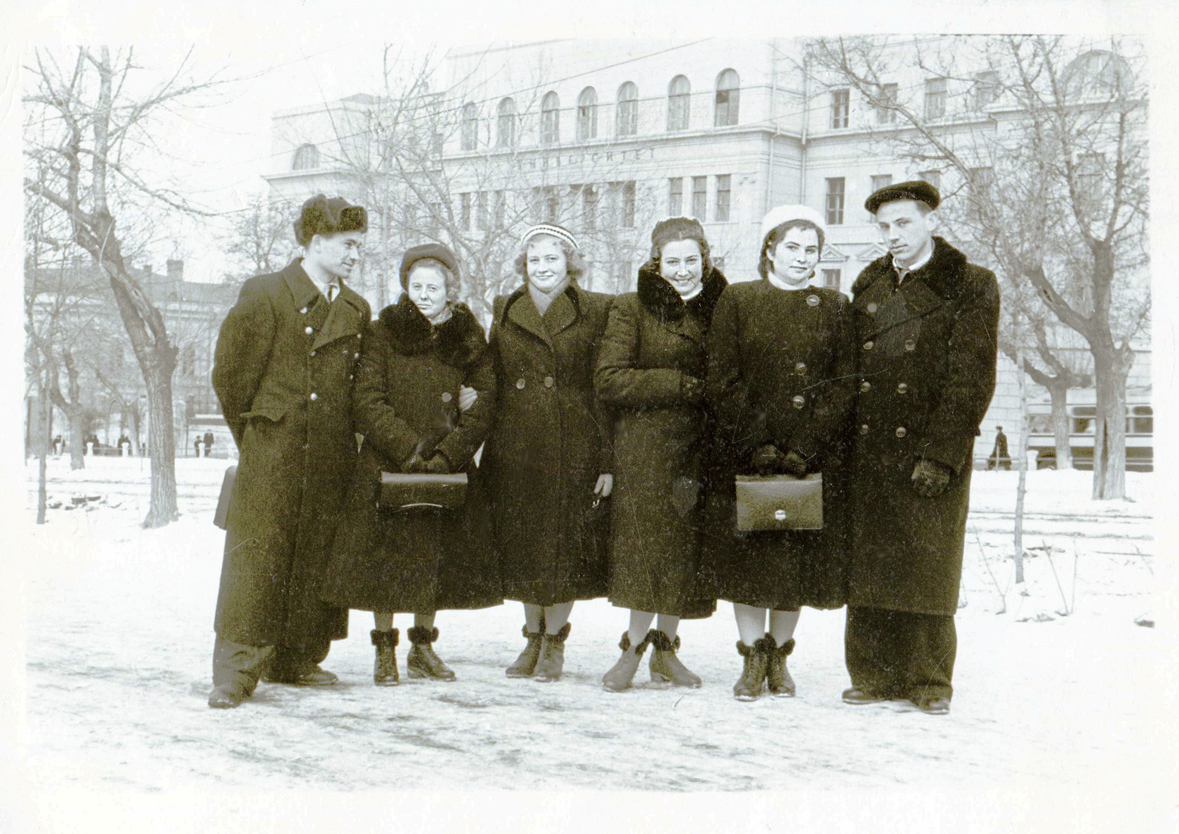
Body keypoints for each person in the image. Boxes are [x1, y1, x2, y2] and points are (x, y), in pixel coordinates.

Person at [206, 194, 372, 709]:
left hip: (329, 457)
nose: (354, 256)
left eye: (359, 248)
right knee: (256, 559)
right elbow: (230, 379)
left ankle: (298, 656)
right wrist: (259, 436)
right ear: (316, 241)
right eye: (348, 245)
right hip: (272, 455)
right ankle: (235, 671)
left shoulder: (355, 308)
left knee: (315, 556)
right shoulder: (265, 293)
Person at [843, 180, 1000, 715]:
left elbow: (971, 378)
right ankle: (872, 675)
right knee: (871, 561)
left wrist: (942, 454)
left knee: (929, 563)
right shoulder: (868, 284)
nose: (893, 236)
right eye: (884, 227)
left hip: (929, 448)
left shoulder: (971, 284)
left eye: (903, 223)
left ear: (930, 220)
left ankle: (930, 680)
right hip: (868, 449)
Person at [322, 244, 500, 685]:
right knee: (386, 560)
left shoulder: (468, 337)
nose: (423, 295)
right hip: (392, 463)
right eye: (415, 286)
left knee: (434, 558)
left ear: (449, 290)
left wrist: (449, 453)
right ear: (405, 287)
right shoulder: (383, 332)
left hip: (445, 464)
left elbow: (484, 401)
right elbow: (367, 399)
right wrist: (412, 448)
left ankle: (423, 647)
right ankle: (385, 649)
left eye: (433, 287)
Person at [702, 205, 857, 701]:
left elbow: (844, 384)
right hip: (749, 456)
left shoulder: (835, 305)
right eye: (791, 247)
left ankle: (779, 658)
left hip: (809, 459)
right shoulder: (738, 300)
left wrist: (805, 445)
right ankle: (752, 658)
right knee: (750, 562)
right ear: (769, 249)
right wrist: (758, 444)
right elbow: (723, 379)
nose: (801, 257)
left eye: (811, 250)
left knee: (793, 563)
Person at [594, 217, 726, 692]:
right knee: (645, 551)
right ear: (657, 263)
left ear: (705, 260)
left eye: (692, 260)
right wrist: (679, 384)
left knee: (682, 554)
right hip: (645, 450)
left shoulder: (721, 308)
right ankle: (631, 649)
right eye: (673, 262)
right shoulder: (631, 308)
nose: (684, 270)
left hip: (700, 448)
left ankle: (667, 652)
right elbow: (609, 378)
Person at [482, 223, 614, 682]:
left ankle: (555, 641)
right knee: (525, 543)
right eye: (534, 259)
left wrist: (606, 460)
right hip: (516, 444)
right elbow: (491, 375)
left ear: (569, 264)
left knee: (562, 546)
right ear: (524, 266)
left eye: (552, 258)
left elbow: (603, 388)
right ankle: (532, 637)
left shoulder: (597, 308)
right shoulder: (505, 307)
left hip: (572, 444)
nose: (542, 267)